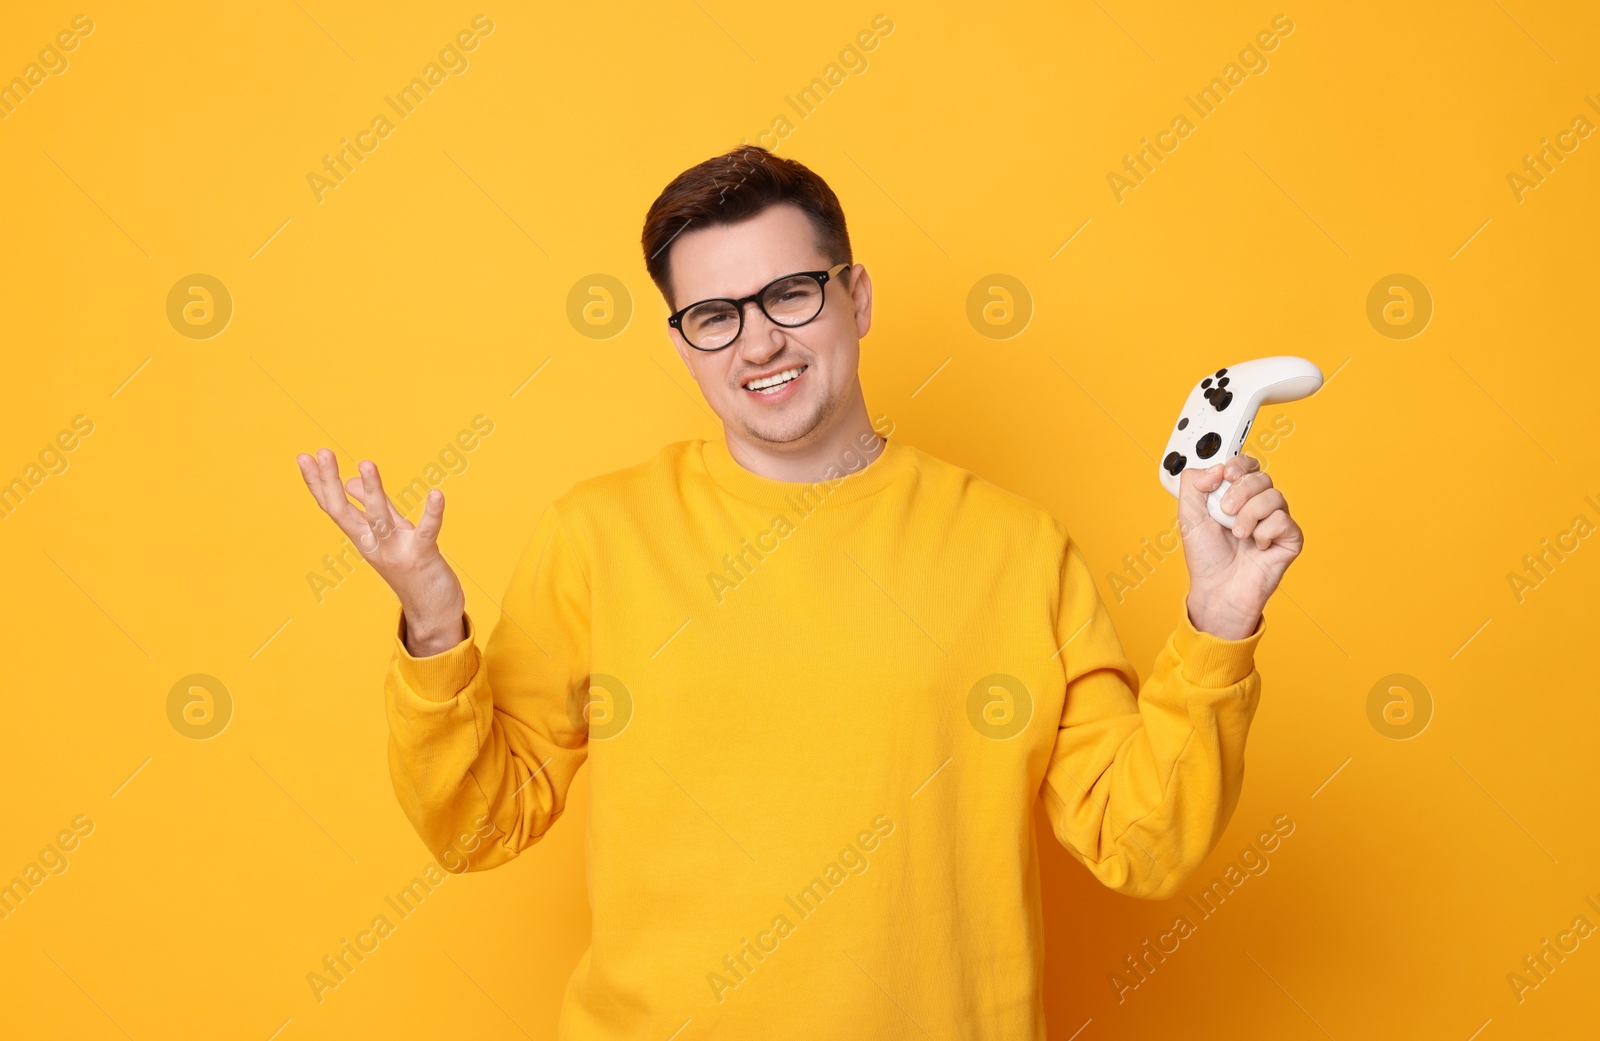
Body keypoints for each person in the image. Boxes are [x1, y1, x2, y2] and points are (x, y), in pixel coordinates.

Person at [295, 144, 1302, 1038]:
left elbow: (1146, 839)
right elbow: (475, 827)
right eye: (714, 315)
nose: (758, 342)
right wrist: (434, 623)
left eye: (791, 295)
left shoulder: (1017, 548)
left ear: (855, 295)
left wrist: (1219, 620)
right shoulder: (597, 535)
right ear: (681, 342)